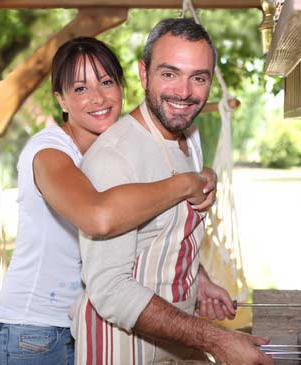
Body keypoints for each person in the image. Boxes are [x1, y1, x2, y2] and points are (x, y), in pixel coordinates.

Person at [0, 37, 217, 365]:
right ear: (61, 100)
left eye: (107, 82)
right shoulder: (50, 152)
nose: (97, 97)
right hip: (32, 332)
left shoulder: (118, 150)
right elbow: (99, 218)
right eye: (80, 89)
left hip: (81, 325)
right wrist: (186, 183)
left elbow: (147, 225)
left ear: (123, 86)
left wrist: (201, 277)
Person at [73, 19, 274, 365]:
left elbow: (158, 238)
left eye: (198, 77)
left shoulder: (186, 138)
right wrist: (217, 340)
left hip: (175, 343)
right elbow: (110, 290)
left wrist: (199, 280)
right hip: (123, 350)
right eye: (169, 74)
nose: (184, 92)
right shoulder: (115, 158)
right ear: (144, 73)